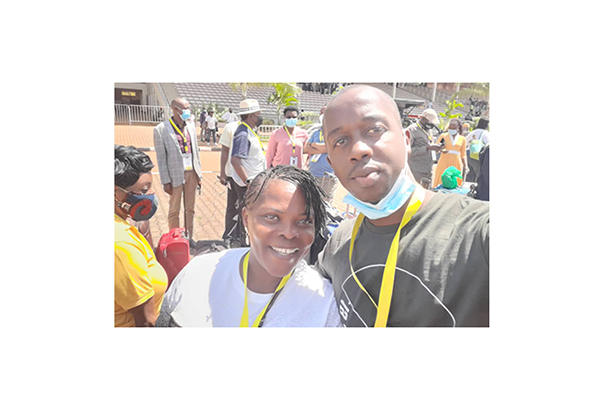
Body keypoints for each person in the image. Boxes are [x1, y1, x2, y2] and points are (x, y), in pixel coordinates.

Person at [315, 85, 489, 327]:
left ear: (406, 140)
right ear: (332, 163)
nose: (358, 150)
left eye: (374, 130)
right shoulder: (338, 245)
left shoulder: (476, 233)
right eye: (341, 141)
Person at [157, 166, 341, 327]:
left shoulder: (325, 304)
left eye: (304, 221)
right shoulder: (198, 274)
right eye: (272, 217)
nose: (289, 233)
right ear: (246, 219)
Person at [114, 145, 168, 327]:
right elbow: (146, 321)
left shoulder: (120, 225)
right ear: (115, 193)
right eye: (144, 190)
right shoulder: (120, 245)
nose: (151, 196)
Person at [153, 98, 202, 242]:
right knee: (174, 210)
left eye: (188, 108)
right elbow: (161, 158)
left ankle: (188, 238)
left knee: (190, 209)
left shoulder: (190, 126)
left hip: (191, 173)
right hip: (174, 175)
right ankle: (174, 240)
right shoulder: (161, 129)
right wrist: (165, 181)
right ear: (175, 109)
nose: (188, 111)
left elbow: (196, 152)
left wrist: (199, 175)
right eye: (184, 108)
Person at [230, 99, 268, 245]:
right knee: (249, 215)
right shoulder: (243, 134)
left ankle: (249, 243)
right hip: (248, 184)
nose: (260, 117)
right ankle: (246, 245)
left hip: (253, 182)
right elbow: (235, 160)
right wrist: (248, 182)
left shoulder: (249, 131)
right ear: (251, 116)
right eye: (258, 114)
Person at [304, 105, 338, 203]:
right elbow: (306, 148)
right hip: (313, 174)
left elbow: (331, 147)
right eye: (321, 113)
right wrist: (323, 148)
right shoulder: (316, 132)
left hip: (328, 177)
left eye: (325, 113)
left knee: (325, 204)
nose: (322, 115)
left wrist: (314, 145)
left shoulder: (336, 132)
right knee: (312, 203)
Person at [219, 118, 244, 246]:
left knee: (245, 208)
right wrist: (222, 172)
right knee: (233, 207)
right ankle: (228, 236)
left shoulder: (253, 128)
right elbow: (225, 150)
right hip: (232, 175)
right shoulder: (231, 127)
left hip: (246, 176)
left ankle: (241, 236)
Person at [405, 108, 443, 189]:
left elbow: (429, 144)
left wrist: (436, 148)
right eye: (430, 122)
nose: (431, 125)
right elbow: (407, 150)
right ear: (424, 119)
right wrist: (427, 148)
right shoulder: (412, 130)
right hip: (416, 169)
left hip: (428, 168)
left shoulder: (428, 130)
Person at [432, 118, 469, 188]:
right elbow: (436, 149)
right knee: (441, 180)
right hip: (444, 161)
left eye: (454, 128)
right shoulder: (443, 136)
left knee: (454, 182)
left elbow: (463, 154)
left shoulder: (462, 139)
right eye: (450, 128)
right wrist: (441, 150)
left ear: (458, 128)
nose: (451, 130)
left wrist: (466, 166)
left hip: (456, 162)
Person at [465, 117, 490, 183]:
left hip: (469, 154)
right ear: (486, 125)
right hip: (478, 155)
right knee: (478, 173)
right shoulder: (486, 133)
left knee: (470, 173)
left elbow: (466, 142)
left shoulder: (472, 132)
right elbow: (488, 144)